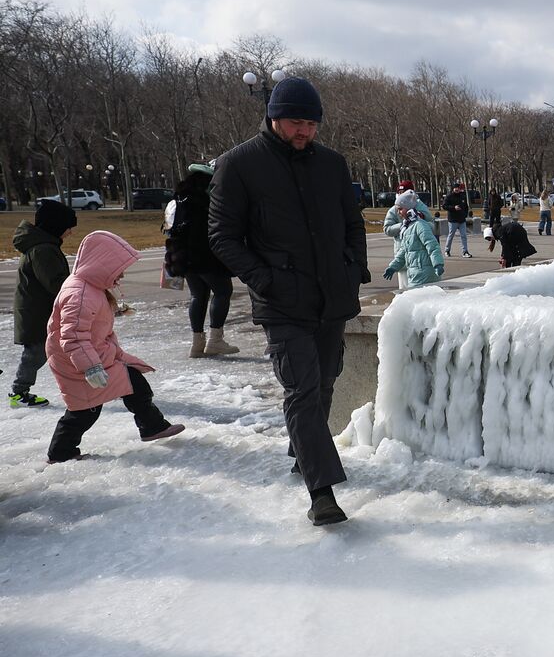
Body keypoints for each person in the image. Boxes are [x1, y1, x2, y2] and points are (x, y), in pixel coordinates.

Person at [209, 75, 368, 526]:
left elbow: (351, 222)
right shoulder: (238, 164)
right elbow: (222, 236)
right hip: (281, 301)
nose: (305, 131)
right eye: (296, 122)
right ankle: (322, 492)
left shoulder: (332, 164)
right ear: (274, 117)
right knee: (300, 388)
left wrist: (354, 267)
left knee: (325, 382)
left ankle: (304, 450)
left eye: (312, 123)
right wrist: (265, 279)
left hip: (331, 295)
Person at [45, 230, 185, 463]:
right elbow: (73, 337)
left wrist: (113, 311)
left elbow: (87, 321)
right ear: (102, 265)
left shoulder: (91, 288)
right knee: (85, 410)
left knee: (134, 383)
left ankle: (152, 426)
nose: (121, 275)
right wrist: (90, 368)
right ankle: (60, 453)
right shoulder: (79, 294)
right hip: (78, 362)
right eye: (118, 269)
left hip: (96, 355)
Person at [166, 162, 240, 358]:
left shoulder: (180, 199)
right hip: (205, 254)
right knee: (223, 291)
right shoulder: (205, 201)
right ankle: (216, 340)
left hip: (183, 254)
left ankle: (197, 343)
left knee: (198, 295)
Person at [10, 199, 76, 408]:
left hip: (40, 309)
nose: (70, 232)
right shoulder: (43, 250)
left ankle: (89, 382)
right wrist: (77, 289)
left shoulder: (44, 246)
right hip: (36, 312)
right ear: (56, 226)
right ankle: (18, 392)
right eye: (68, 227)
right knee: (37, 353)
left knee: (64, 348)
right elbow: (56, 283)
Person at [383, 192, 445, 288]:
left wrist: (438, 264)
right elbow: (403, 251)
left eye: (400, 209)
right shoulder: (406, 227)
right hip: (414, 274)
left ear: (409, 209)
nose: (398, 213)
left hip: (426, 274)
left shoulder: (420, 225)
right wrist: (393, 267)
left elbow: (432, 245)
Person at [440, 182, 473, 258]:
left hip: (462, 220)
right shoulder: (449, 197)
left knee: (464, 236)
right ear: (453, 189)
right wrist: (453, 208)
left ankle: (465, 251)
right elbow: (444, 206)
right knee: (451, 235)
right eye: (455, 188)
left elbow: (466, 207)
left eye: (458, 188)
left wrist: (465, 214)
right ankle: (447, 250)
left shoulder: (462, 196)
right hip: (453, 220)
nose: (457, 189)